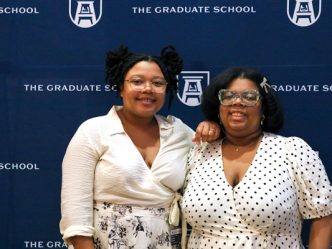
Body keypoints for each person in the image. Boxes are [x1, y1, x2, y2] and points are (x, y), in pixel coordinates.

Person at [59, 45, 220, 249]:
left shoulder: (180, 132)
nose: (147, 89)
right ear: (120, 87)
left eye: (157, 83)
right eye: (137, 81)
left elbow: (218, 154)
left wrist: (215, 128)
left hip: (165, 241)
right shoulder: (93, 131)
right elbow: (75, 211)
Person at [181, 67, 332, 249]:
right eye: (228, 96)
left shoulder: (292, 150)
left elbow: (323, 214)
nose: (238, 102)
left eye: (250, 97)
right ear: (218, 107)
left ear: (264, 109)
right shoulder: (199, 152)